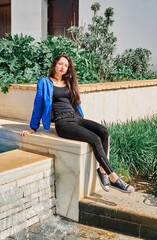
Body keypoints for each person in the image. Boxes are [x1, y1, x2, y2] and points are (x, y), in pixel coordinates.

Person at [20, 54, 135, 193]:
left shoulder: (69, 83)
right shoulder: (44, 82)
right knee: (95, 139)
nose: (63, 67)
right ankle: (114, 179)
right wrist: (33, 127)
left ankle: (102, 171)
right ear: (55, 64)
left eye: (66, 66)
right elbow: (38, 103)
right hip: (63, 122)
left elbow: (75, 103)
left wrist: (82, 121)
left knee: (103, 131)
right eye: (60, 64)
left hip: (76, 118)